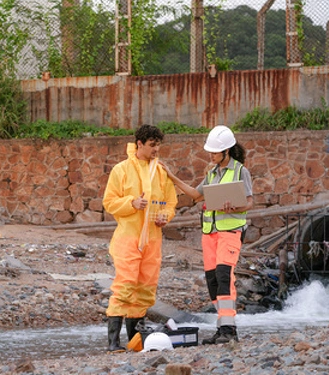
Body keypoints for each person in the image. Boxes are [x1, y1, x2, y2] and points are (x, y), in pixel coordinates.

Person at [159, 125, 253, 345]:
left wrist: (235, 207)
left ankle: (229, 329)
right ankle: (223, 327)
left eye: (214, 152)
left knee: (224, 276)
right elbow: (194, 195)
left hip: (230, 232)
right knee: (212, 282)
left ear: (226, 151)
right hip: (210, 234)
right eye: (210, 151)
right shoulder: (211, 174)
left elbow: (249, 201)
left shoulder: (240, 171)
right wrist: (172, 177)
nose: (211, 155)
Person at [102, 124, 178, 353]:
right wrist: (131, 203)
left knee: (145, 288)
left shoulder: (161, 172)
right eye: (152, 145)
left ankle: (135, 341)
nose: (157, 149)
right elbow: (109, 202)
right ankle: (113, 342)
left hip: (153, 239)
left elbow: (171, 202)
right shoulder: (121, 170)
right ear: (140, 144)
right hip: (128, 237)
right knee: (125, 286)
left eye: (159, 145)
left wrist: (166, 216)